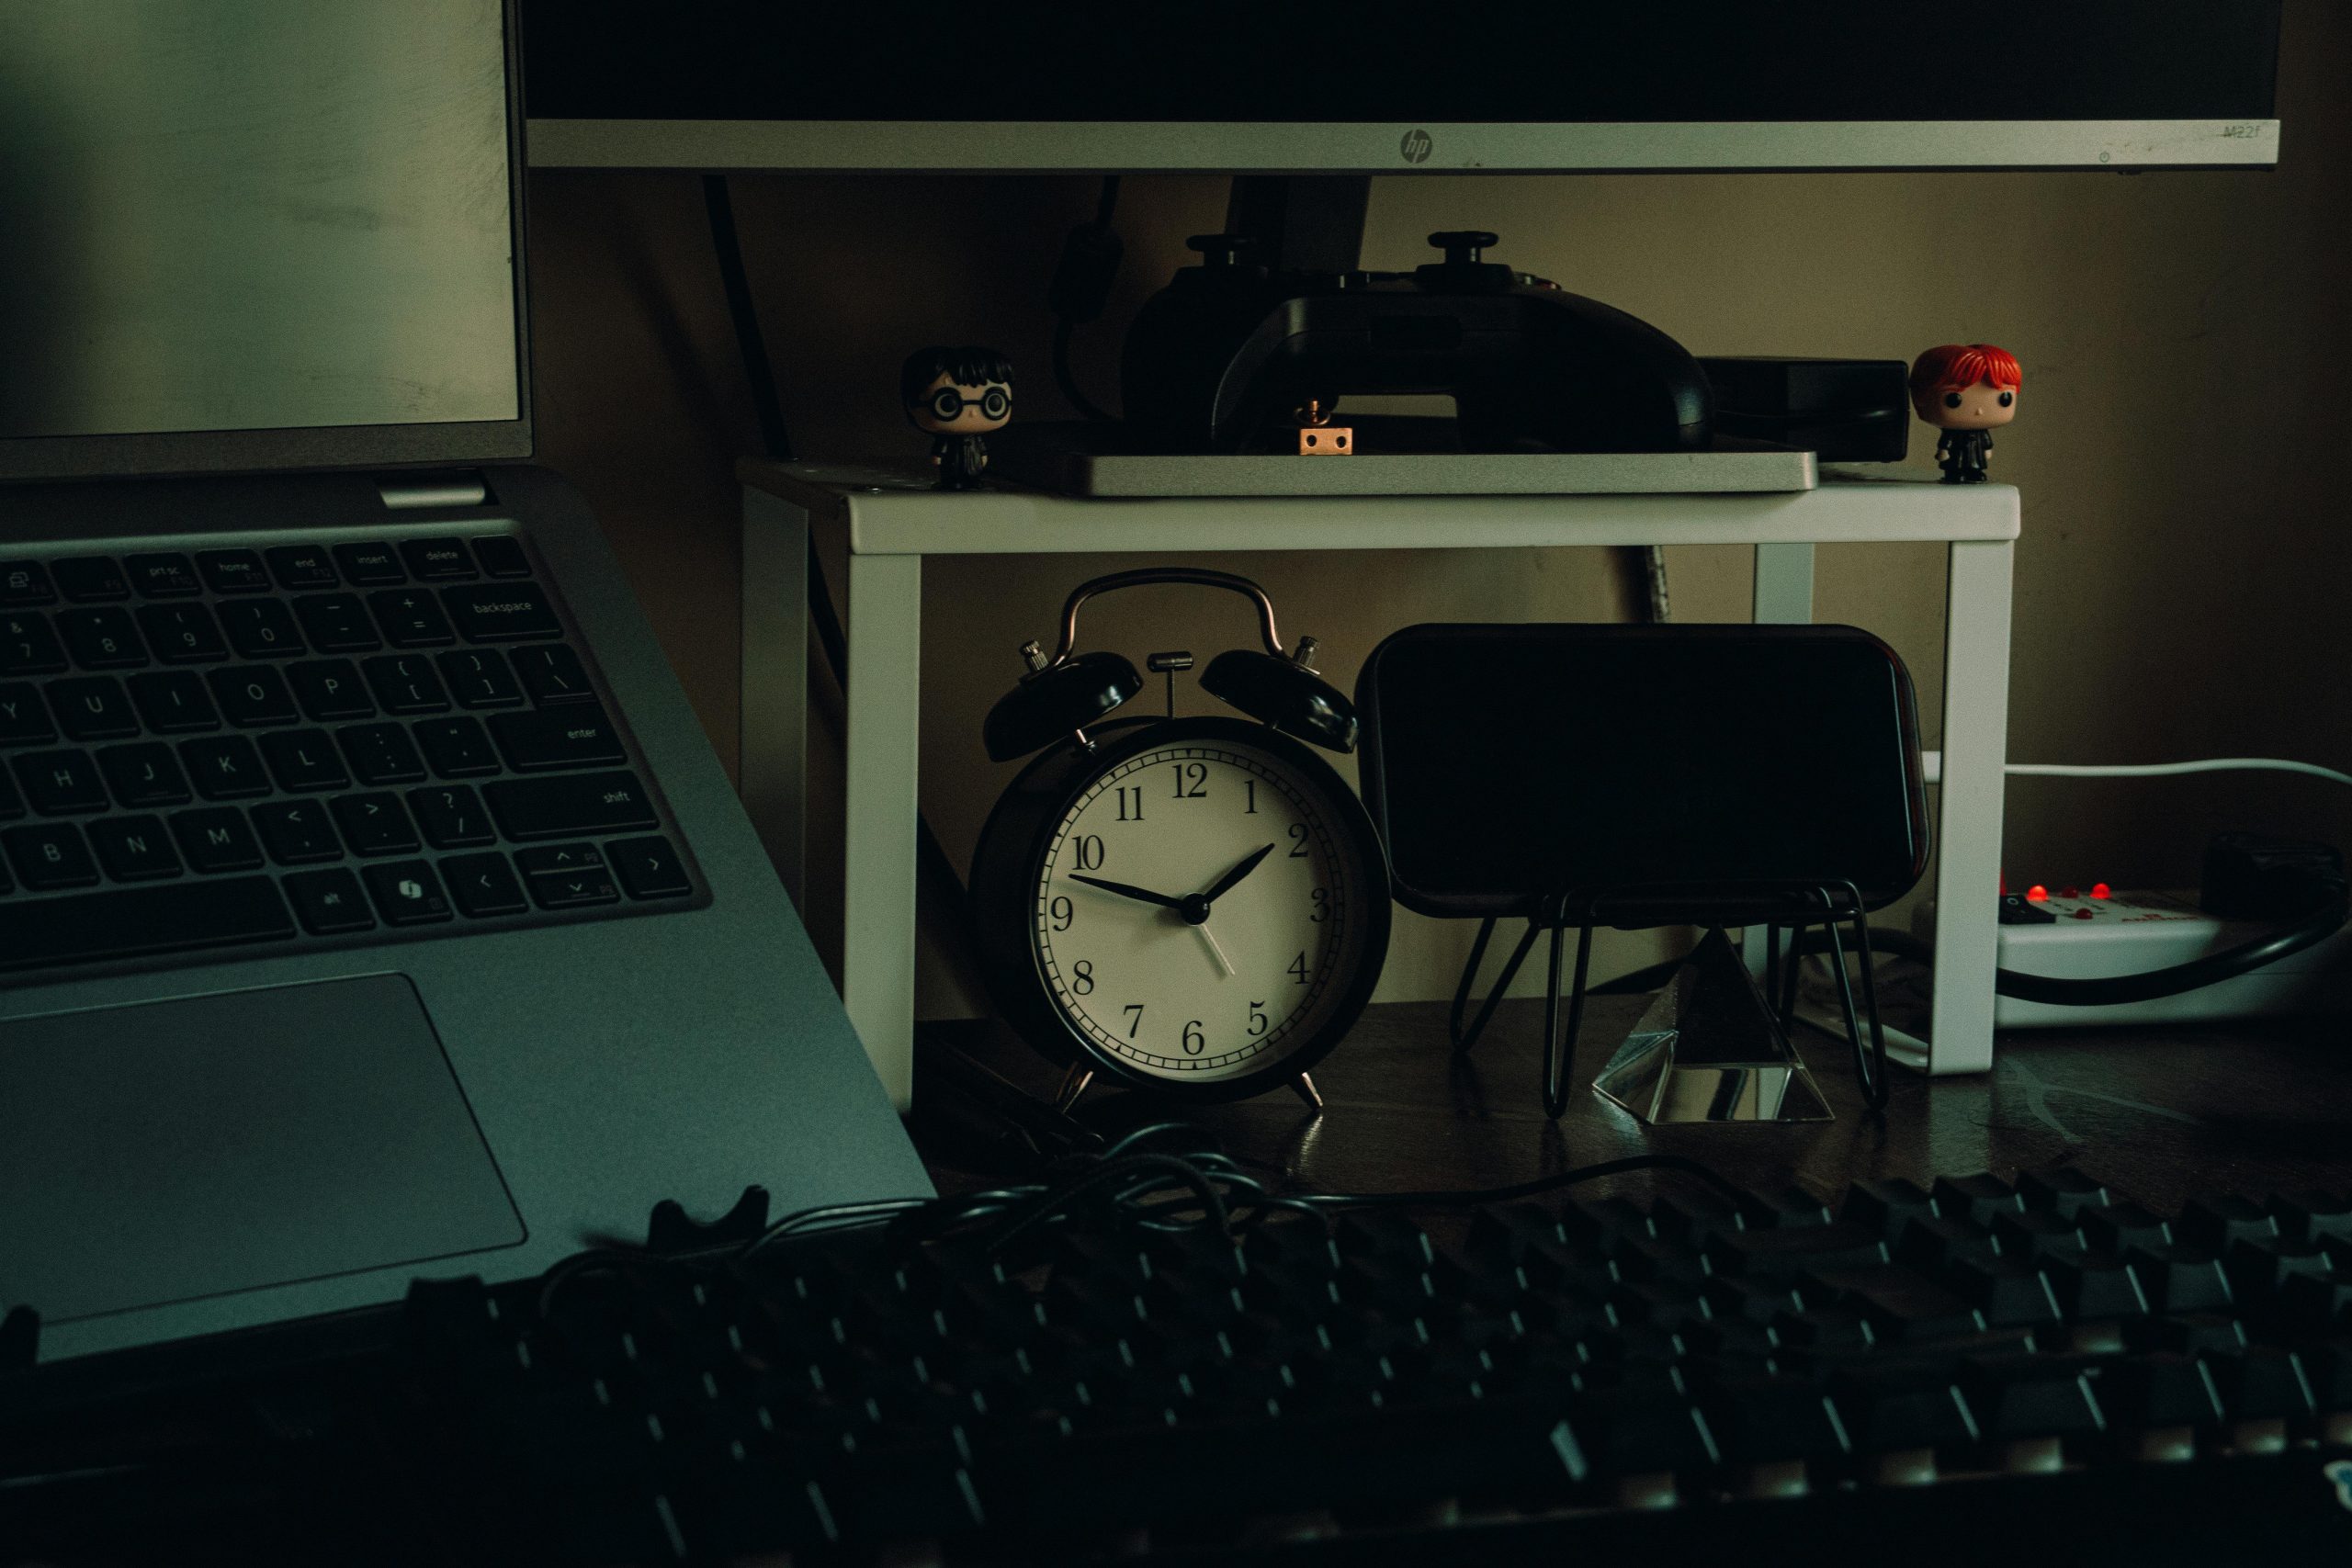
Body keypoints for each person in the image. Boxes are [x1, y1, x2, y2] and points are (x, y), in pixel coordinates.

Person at [902, 346, 1014, 491]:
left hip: (973, 464)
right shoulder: (947, 441)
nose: (973, 413)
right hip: (951, 465)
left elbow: (981, 447)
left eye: (993, 403)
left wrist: (983, 455)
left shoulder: (975, 439)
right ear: (912, 404)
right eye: (948, 404)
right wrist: (938, 456)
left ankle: (972, 482)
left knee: (972, 478)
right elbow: (940, 450)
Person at [1908, 343, 2019, 484]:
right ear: (1921, 396)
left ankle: (1975, 473)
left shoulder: (1981, 433)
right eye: (1954, 400)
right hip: (1956, 455)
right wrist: (1944, 450)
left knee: (1975, 465)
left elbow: (1986, 441)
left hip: (1976, 455)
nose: (1979, 411)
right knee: (1956, 464)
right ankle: (1955, 474)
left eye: (2004, 399)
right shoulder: (1952, 434)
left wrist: (1987, 449)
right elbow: (1946, 441)